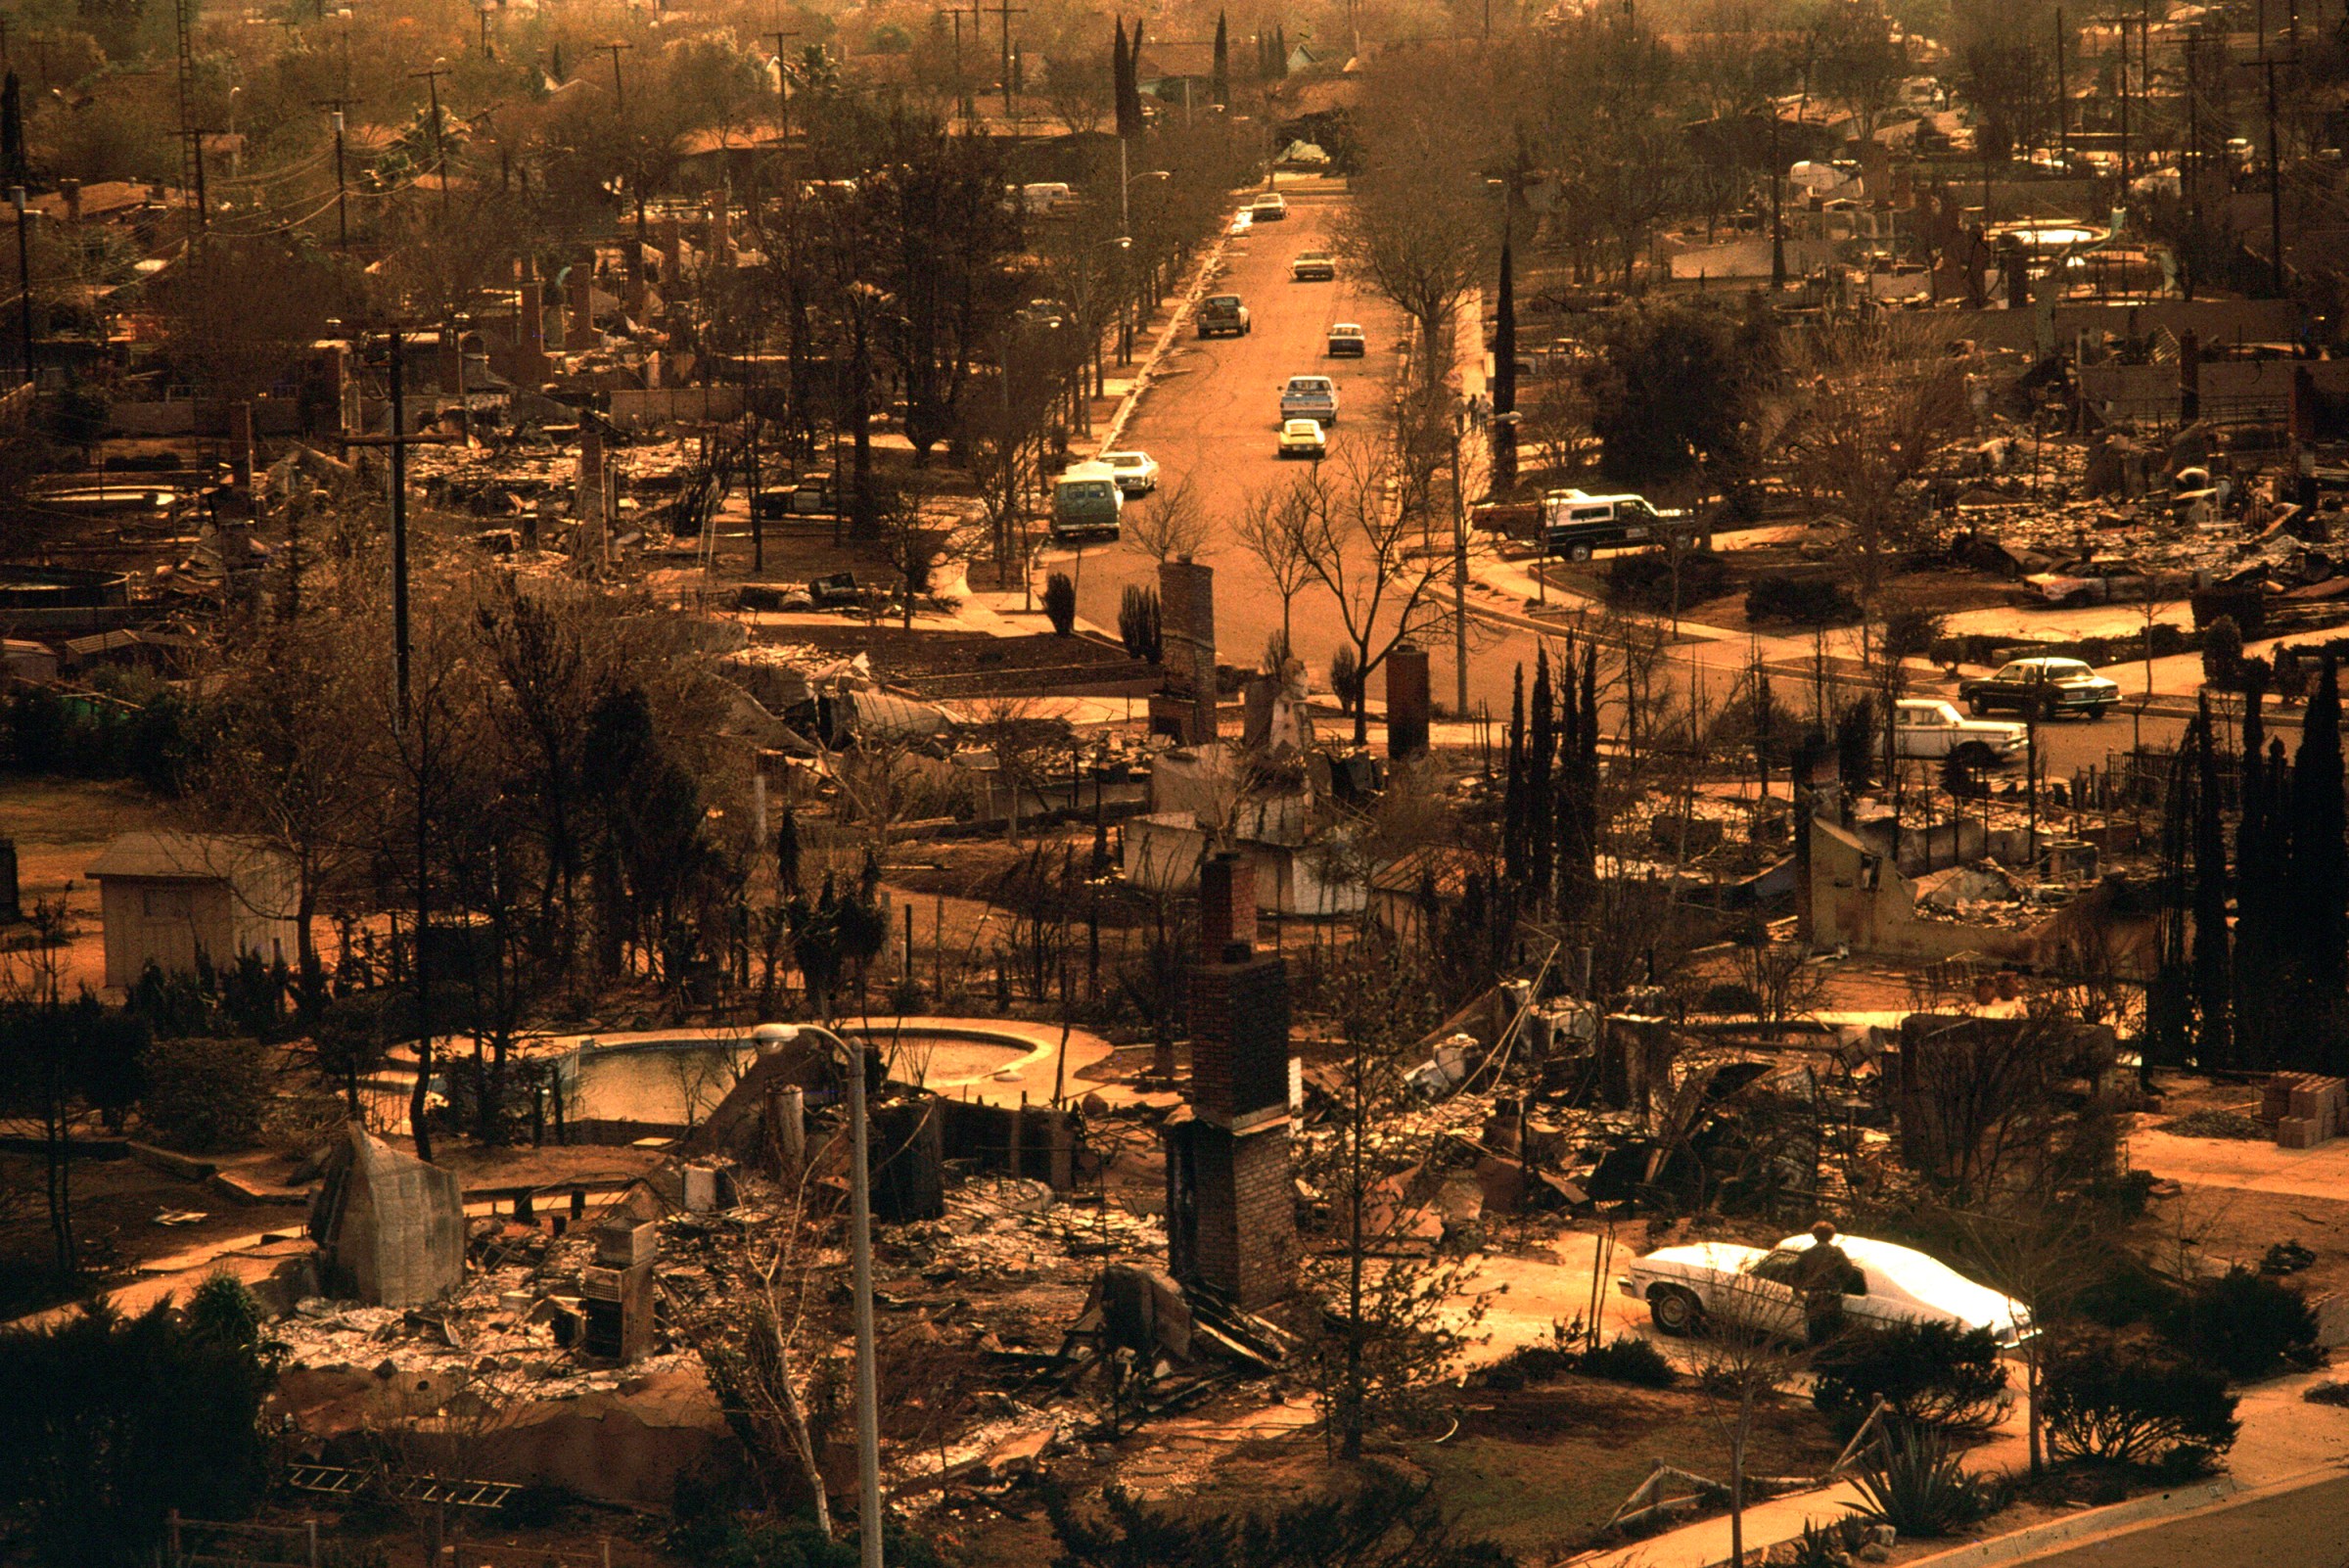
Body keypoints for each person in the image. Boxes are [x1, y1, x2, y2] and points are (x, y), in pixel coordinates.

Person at [1794, 1220, 1855, 1347]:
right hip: (1832, 1297)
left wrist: (1799, 1292)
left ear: (1814, 1235)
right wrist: (1838, 1286)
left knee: (1814, 1333)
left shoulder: (1806, 1254)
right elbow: (1848, 1272)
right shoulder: (1837, 1253)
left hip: (1813, 1297)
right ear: (1831, 1236)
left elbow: (1795, 1276)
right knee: (1831, 1333)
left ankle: (1813, 1361)